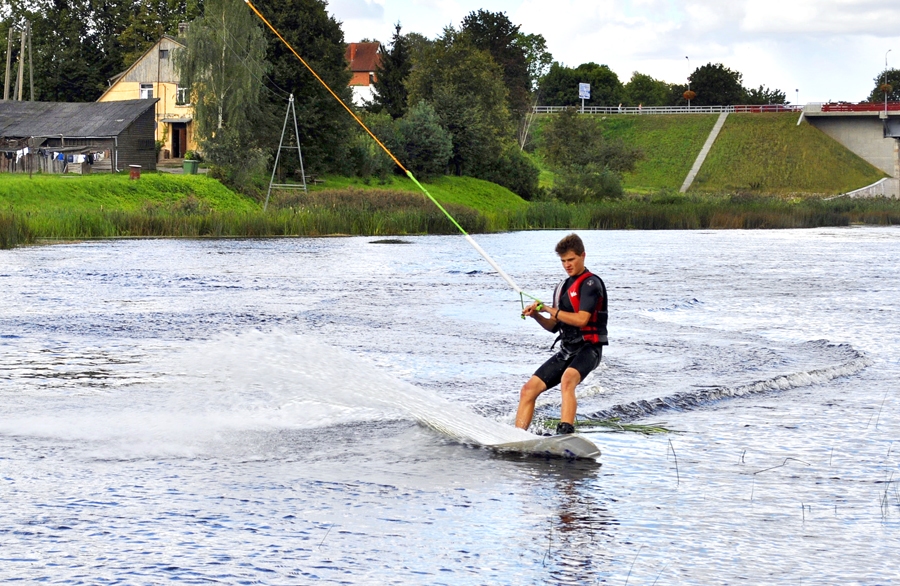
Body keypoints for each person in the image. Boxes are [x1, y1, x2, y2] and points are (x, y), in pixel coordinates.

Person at [517, 233, 608, 434]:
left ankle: (565, 433)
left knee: (568, 379)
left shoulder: (591, 284)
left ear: (583, 256)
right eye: (563, 261)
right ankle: (517, 435)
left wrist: (549, 309)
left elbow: (582, 319)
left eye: (571, 260)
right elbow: (553, 326)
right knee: (528, 390)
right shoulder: (561, 288)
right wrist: (537, 316)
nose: (567, 265)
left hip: (589, 349)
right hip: (567, 349)